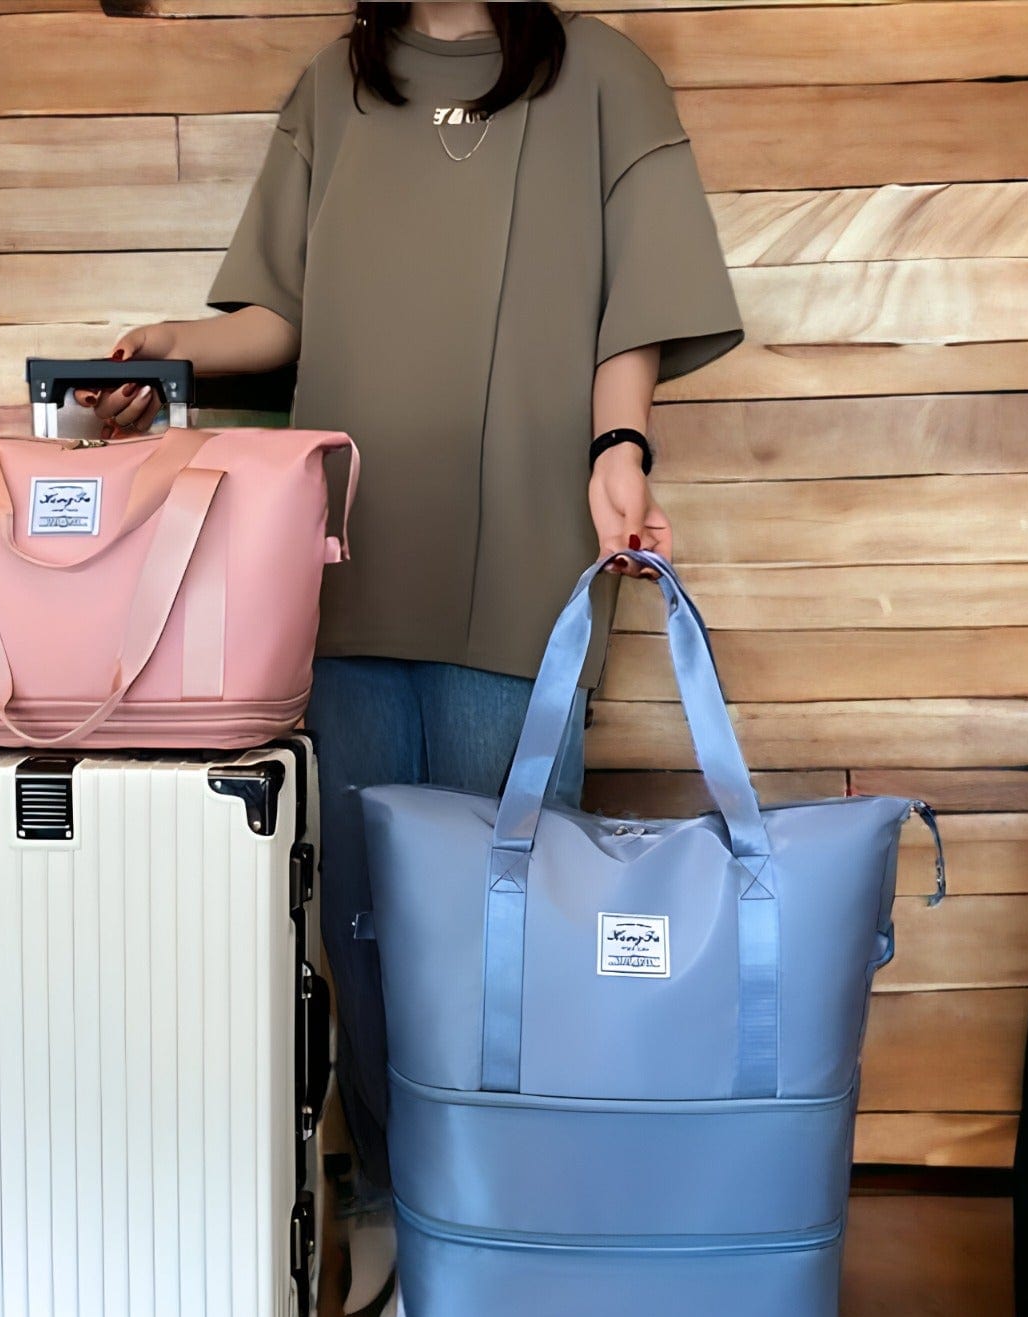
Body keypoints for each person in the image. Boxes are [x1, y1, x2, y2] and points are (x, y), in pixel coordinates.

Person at [82, 1, 743, 1215]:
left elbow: (633, 311)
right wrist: (169, 346)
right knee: (367, 914)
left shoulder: (604, 77)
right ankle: (395, 1200)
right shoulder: (337, 85)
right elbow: (285, 313)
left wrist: (620, 449)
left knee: (517, 897)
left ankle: (510, 1210)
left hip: (522, 556)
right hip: (350, 554)